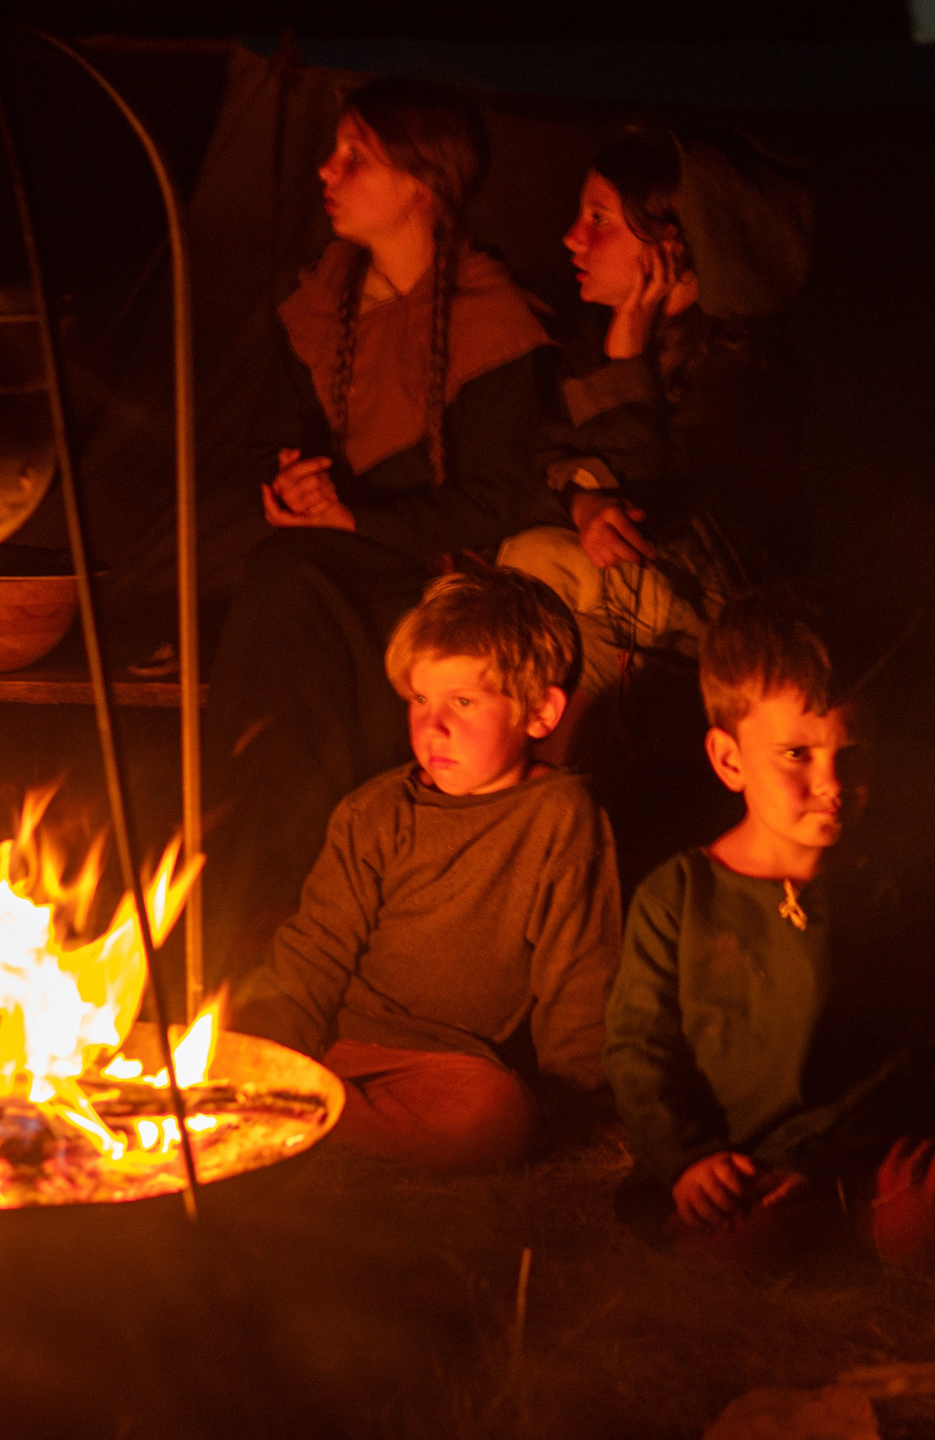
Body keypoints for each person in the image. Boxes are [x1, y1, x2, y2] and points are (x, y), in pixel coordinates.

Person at [203, 76, 559, 985]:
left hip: (431, 571)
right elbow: (274, 437)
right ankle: (266, 889)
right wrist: (290, 481)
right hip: (323, 561)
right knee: (283, 578)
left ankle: (309, 892)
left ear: (421, 185)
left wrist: (357, 516)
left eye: (356, 156)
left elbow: (497, 499)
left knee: (290, 584)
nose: (328, 170)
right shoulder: (320, 306)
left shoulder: (491, 321)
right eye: (334, 151)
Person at [604, 597, 935, 1271]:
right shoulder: (677, 898)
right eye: (797, 754)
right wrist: (689, 1161)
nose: (832, 783)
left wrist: (818, 1160)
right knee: (740, 1243)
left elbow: (904, 1050)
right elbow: (639, 1051)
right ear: (729, 760)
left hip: (856, 1149)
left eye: (852, 753)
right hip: (731, 1162)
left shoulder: (877, 894)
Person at [231, 568, 618, 1175]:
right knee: (224, 1043)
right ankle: (286, 1102)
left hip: (446, 1067)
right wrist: (269, 1050)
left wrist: (574, 1105)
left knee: (493, 1114)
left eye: (462, 702)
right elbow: (315, 952)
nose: (432, 726)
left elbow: (579, 971)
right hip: (337, 1041)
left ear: (541, 712)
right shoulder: (375, 812)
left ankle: (296, 1119)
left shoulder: (561, 815)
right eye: (419, 700)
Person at [499, 128, 813, 704]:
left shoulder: (738, 370)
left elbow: (652, 505)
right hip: (621, 601)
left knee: (535, 565)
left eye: (599, 219)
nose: (572, 237)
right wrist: (584, 504)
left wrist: (626, 361)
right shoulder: (589, 340)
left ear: (672, 247)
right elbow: (539, 465)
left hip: (715, 618)